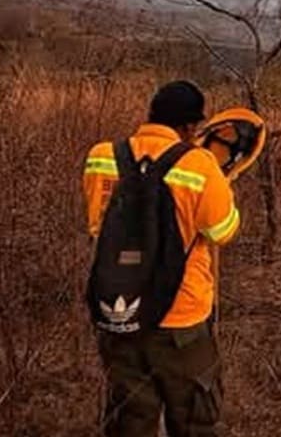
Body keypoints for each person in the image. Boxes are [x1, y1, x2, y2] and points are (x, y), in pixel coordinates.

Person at [82, 80, 242, 437]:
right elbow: (224, 231)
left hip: (118, 311)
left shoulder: (102, 156)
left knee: (130, 417)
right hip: (181, 321)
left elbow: (97, 226)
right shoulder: (199, 165)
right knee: (193, 417)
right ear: (190, 127)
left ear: (150, 114)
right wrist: (222, 183)